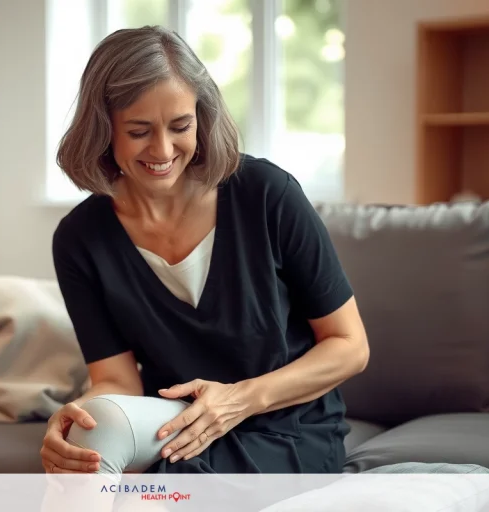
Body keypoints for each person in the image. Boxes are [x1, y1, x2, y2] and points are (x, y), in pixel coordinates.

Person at [41, 25, 369, 485]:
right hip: (177, 425)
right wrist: (80, 418)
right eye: (139, 131)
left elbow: (350, 347)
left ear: (202, 117)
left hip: (283, 426)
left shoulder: (267, 195)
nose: (162, 150)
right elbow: (117, 381)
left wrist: (239, 399)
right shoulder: (80, 237)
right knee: (95, 436)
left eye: (181, 126)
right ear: (104, 128)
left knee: (150, 501)